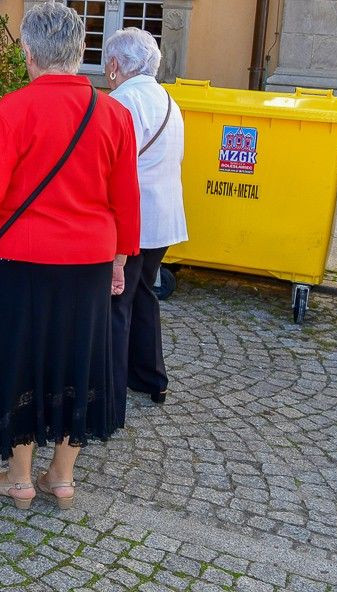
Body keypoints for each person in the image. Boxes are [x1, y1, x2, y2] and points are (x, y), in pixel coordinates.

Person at [0, 2, 140, 510]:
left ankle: (18, 479)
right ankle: (61, 477)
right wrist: (120, 261)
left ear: (28, 52)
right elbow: (126, 197)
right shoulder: (114, 114)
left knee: (18, 358)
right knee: (77, 360)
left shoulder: (13, 109)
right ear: (80, 52)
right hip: (88, 260)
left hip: (20, 261)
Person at [105, 27, 187, 423]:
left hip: (133, 220)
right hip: (164, 216)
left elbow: (111, 166)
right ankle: (151, 377)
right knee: (142, 294)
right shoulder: (168, 98)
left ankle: (111, 387)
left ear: (117, 65)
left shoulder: (122, 101)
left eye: (109, 62)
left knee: (117, 302)